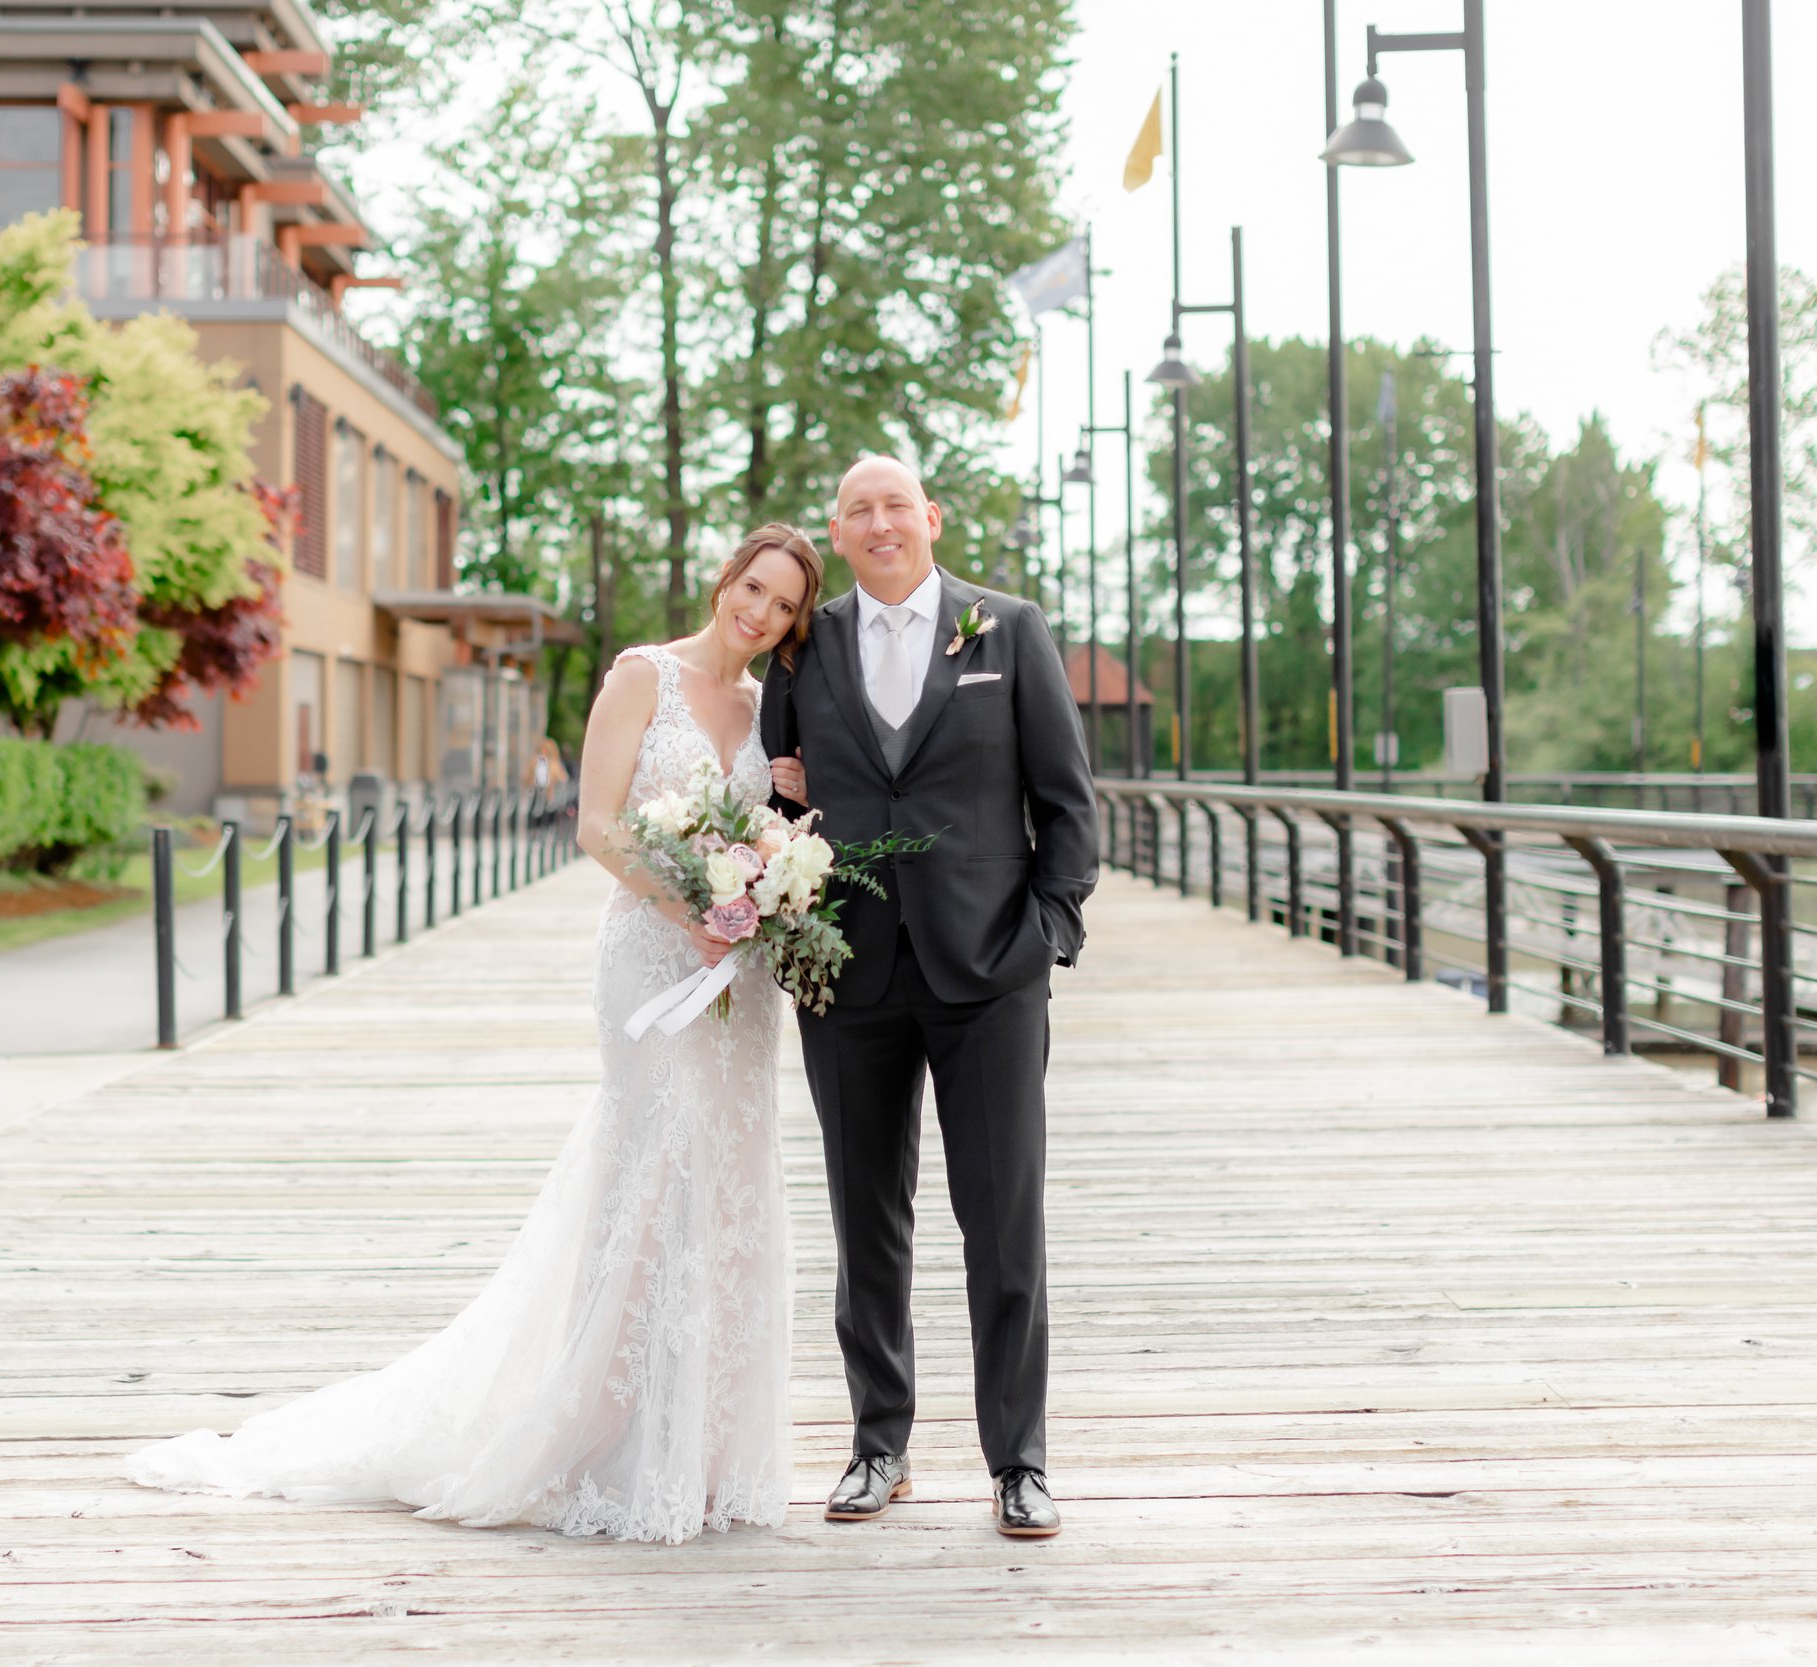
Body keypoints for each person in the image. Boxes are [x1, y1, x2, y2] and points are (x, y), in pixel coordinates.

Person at [126, 525, 825, 1546]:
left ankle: (703, 1449)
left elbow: (766, 823)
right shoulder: (644, 677)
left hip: (736, 981)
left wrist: (776, 847)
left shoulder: (768, 711)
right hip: (652, 957)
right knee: (652, 1171)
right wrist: (689, 909)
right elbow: (595, 823)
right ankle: (611, 1439)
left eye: (783, 606)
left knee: (724, 1184)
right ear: (725, 578)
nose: (758, 612)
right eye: (752, 586)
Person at [764, 455, 1098, 1540]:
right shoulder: (802, 645)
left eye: (894, 504)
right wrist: (783, 917)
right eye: (857, 508)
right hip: (846, 968)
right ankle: (878, 1444)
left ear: (929, 518)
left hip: (990, 971)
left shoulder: (1009, 630)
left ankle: (1019, 1459)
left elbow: (1068, 801)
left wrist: (1046, 931)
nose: (878, 522)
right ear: (839, 528)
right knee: (866, 1218)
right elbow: (772, 789)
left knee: (1002, 1221)